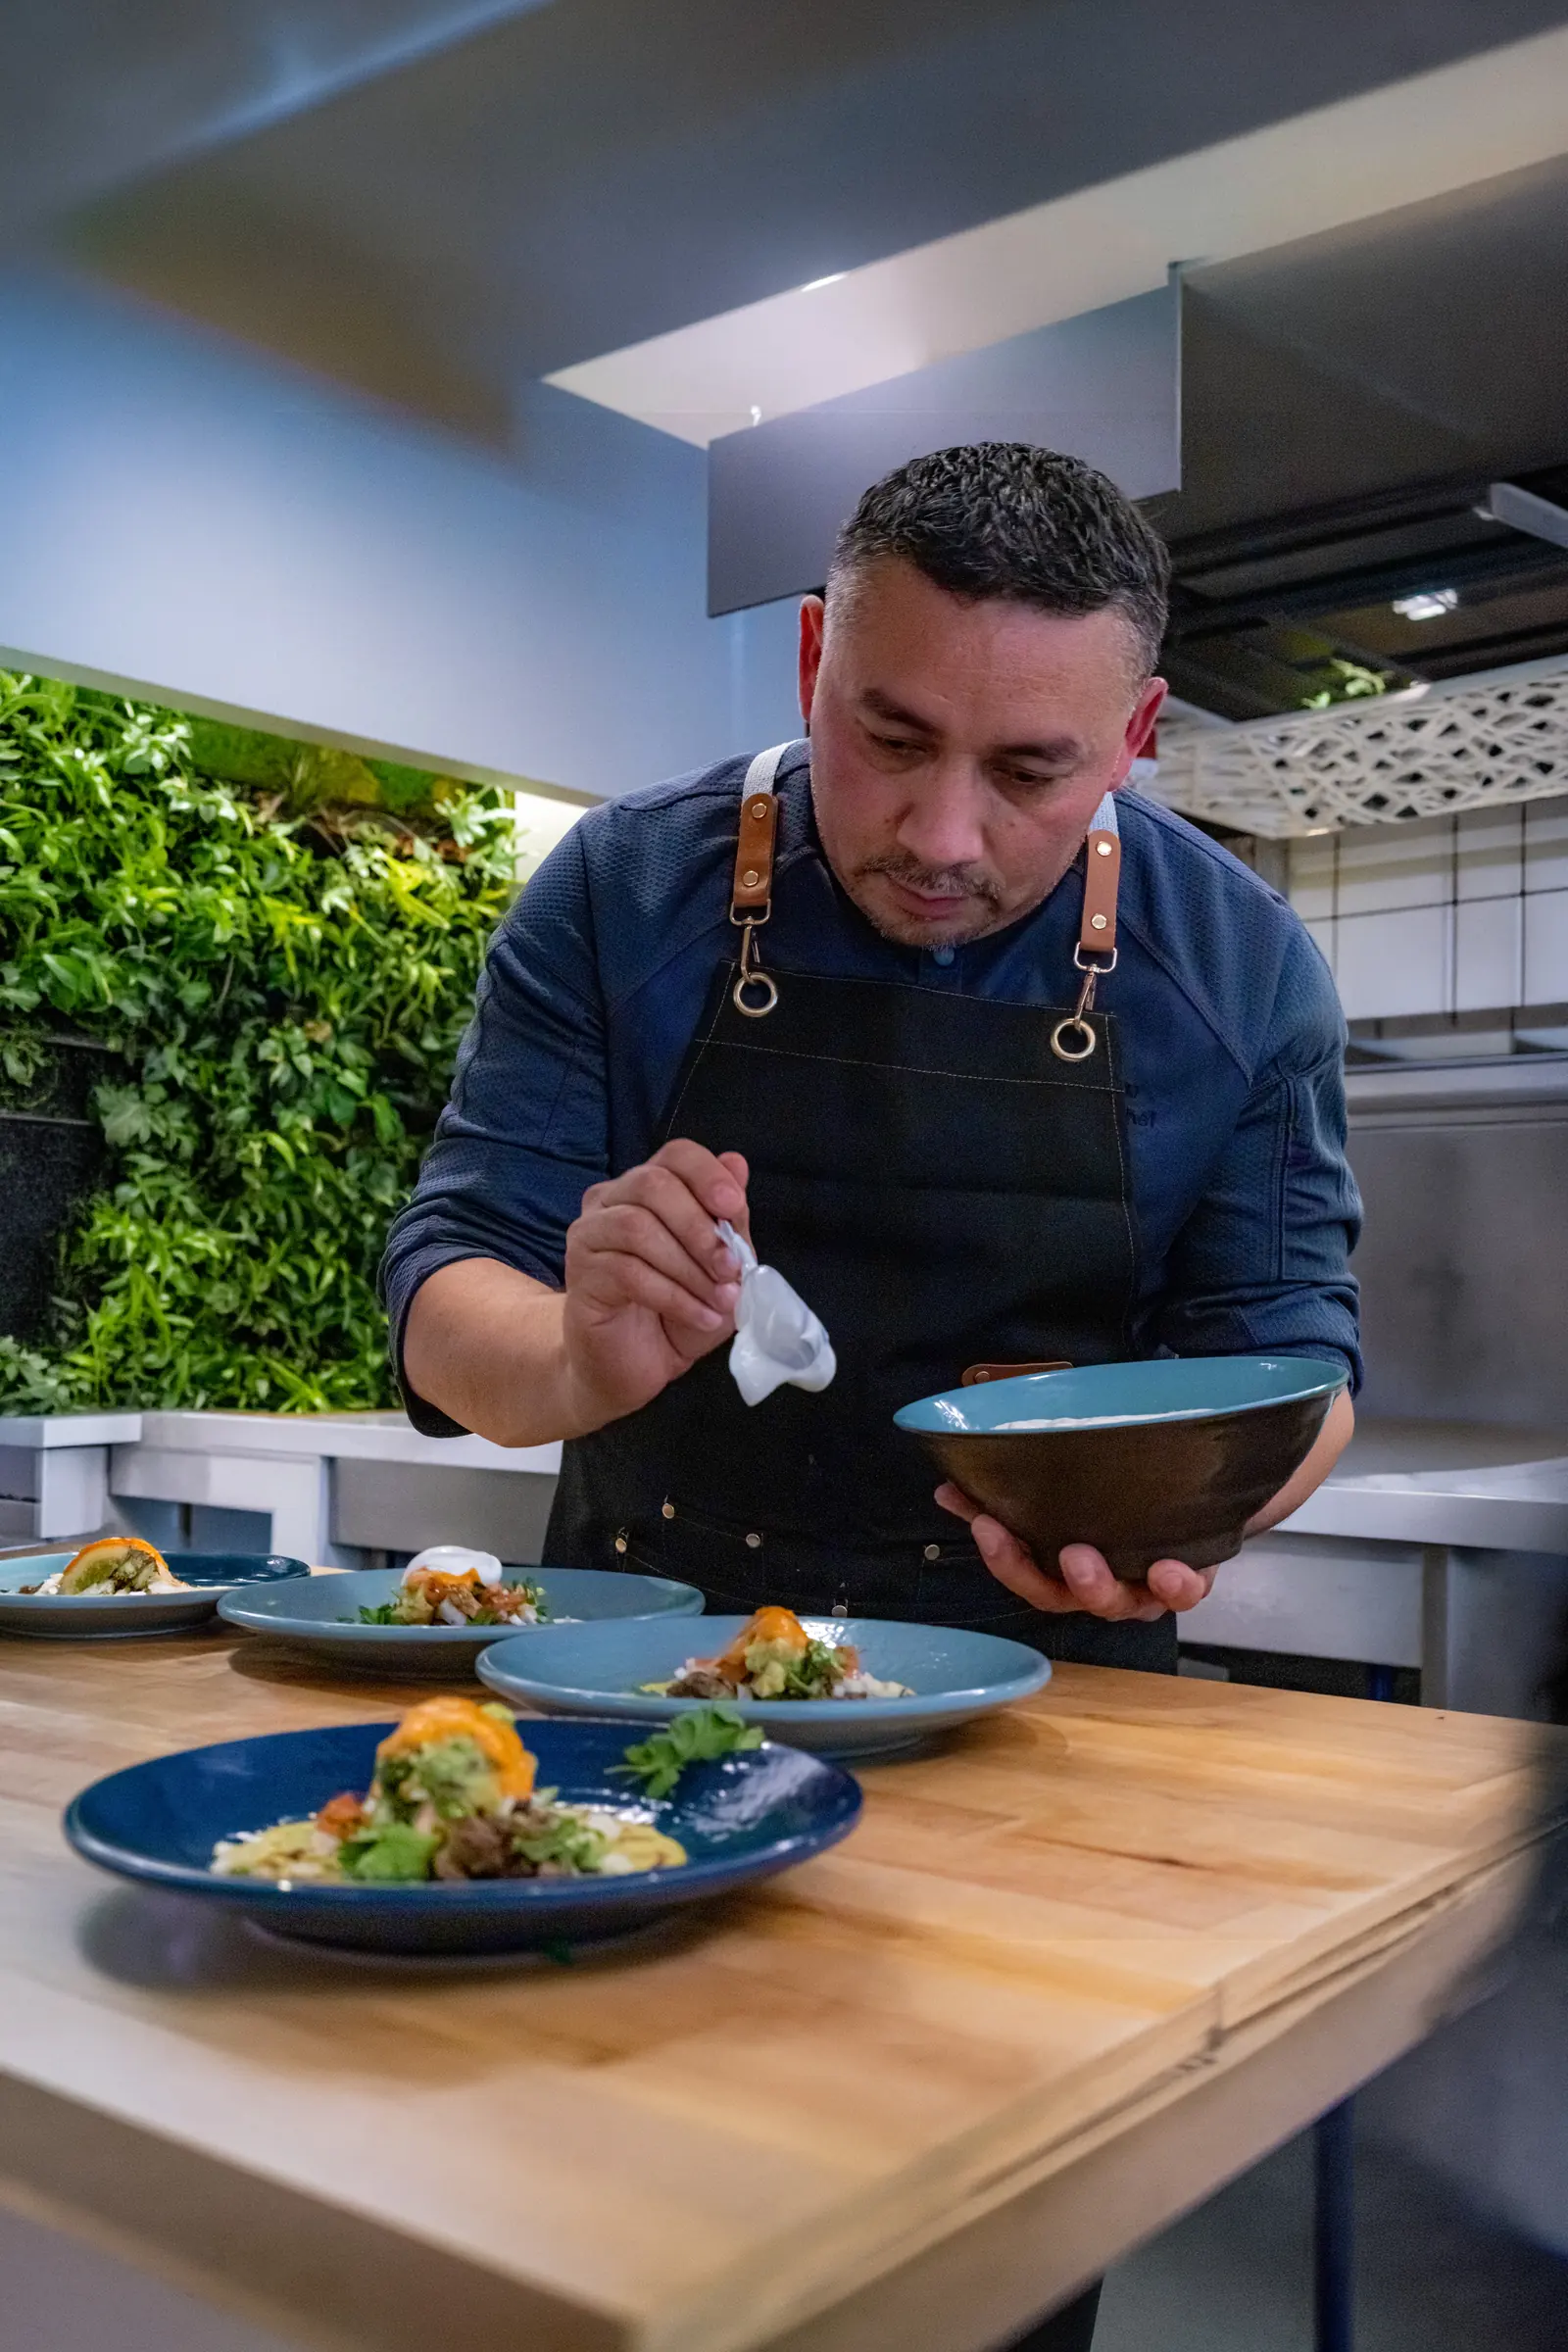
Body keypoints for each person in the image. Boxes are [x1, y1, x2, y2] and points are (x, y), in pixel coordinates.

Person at [382, 443, 1362, 2352]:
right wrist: (575, 1352)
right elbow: (447, 1297)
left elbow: (1301, 1366)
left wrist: (1183, 1513)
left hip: (1040, 1751)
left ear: (1136, 734)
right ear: (813, 653)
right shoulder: (622, 888)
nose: (935, 832)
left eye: (1027, 773)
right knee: (601, 2257)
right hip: (628, 1722)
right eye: (885, 737)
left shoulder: (1238, 968)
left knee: (979, 2291)